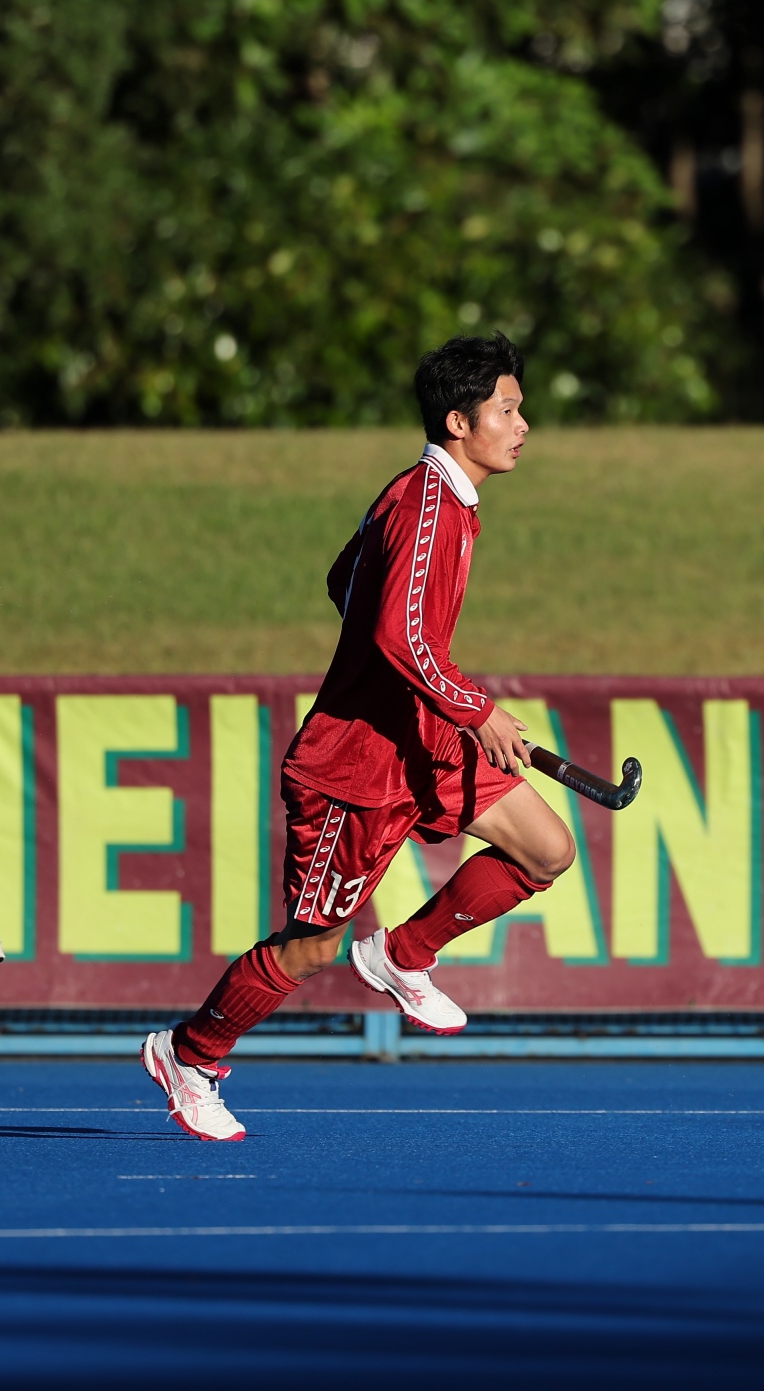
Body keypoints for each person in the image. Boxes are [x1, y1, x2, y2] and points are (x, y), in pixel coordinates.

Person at [141, 332, 575, 1140]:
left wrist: (420, 693)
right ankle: (189, 1053)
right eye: (508, 411)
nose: (523, 426)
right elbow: (401, 636)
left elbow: (345, 580)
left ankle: (402, 955)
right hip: (353, 769)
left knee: (546, 850)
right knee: (311, 949)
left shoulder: (438, 499)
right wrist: (473, 707)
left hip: (421, 741)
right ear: (459, 422)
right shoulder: (425, 505)